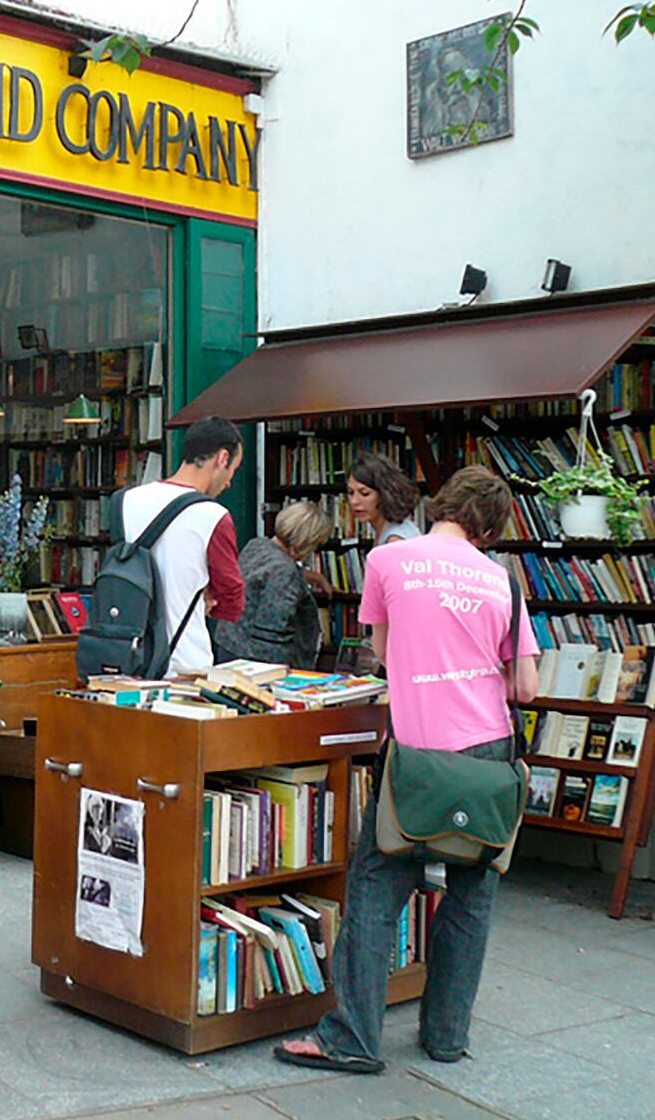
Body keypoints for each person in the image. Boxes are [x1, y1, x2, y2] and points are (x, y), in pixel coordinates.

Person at [276, 466, 539, 1075]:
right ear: (490, 528)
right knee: (472, 898)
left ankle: (354, 1039)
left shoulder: (389, 562)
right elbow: (523, 685)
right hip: (487, 753)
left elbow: (385, 653)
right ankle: (446, 1037)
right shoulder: (502, 580)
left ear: (443, 504)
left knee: (375, 889)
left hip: (417, 754)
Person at [117, 417, 246, 676]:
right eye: (233, 470)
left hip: (126, 656)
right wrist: (207, 596)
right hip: (183, 663)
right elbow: (232, 601)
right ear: (222, 458)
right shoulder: (212, 516)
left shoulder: (126, 500)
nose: (229, 482)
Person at [221, 500, 333, 670]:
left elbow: (266, 572)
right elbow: (273, 629)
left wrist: (316, 578)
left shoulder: (257, 546)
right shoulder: (284, 571)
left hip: (230, 642)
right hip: (257, 661)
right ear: (305, 541)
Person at [346, 453, 421, 547]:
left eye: (365, 494)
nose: (354, 501)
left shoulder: (395, 540)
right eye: (350, 493)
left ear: (384, 494)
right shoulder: (388, 531)